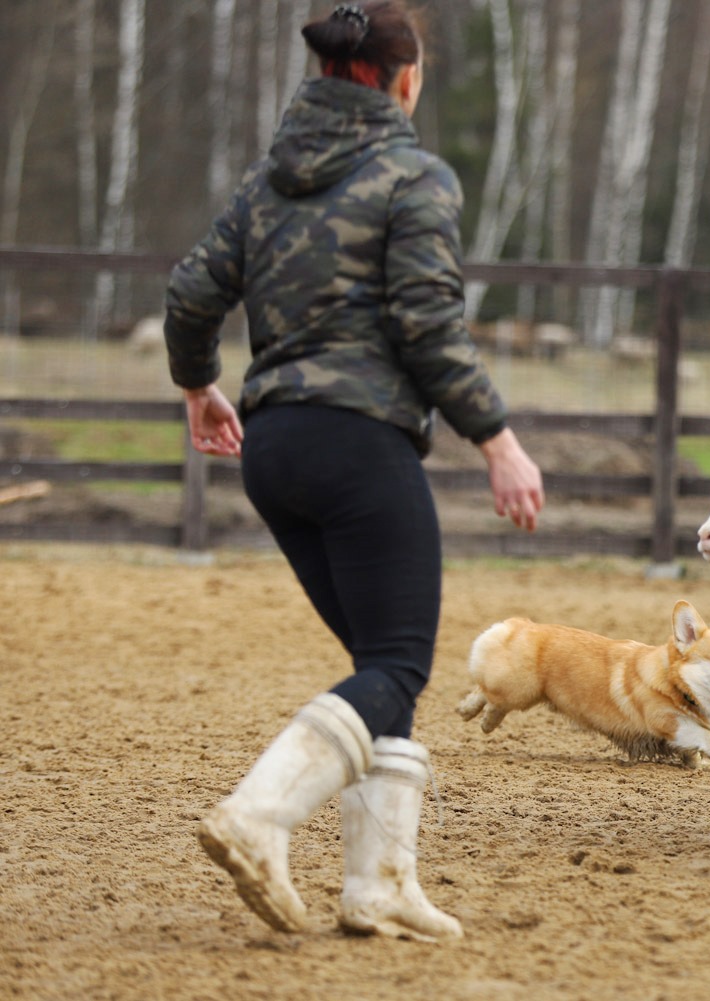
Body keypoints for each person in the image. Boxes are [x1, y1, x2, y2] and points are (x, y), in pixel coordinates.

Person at [164, 1, 543, 943]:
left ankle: (379, 886)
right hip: (358, 443)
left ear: (329, 76)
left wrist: (198, 387)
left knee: (384, 668)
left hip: (274, 449)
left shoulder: (266, 181)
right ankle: (258, 814)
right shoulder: (411, 175)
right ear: (402, 79)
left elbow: (189, 292)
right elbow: (426, 325)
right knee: (401, 660)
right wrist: (497, 439)